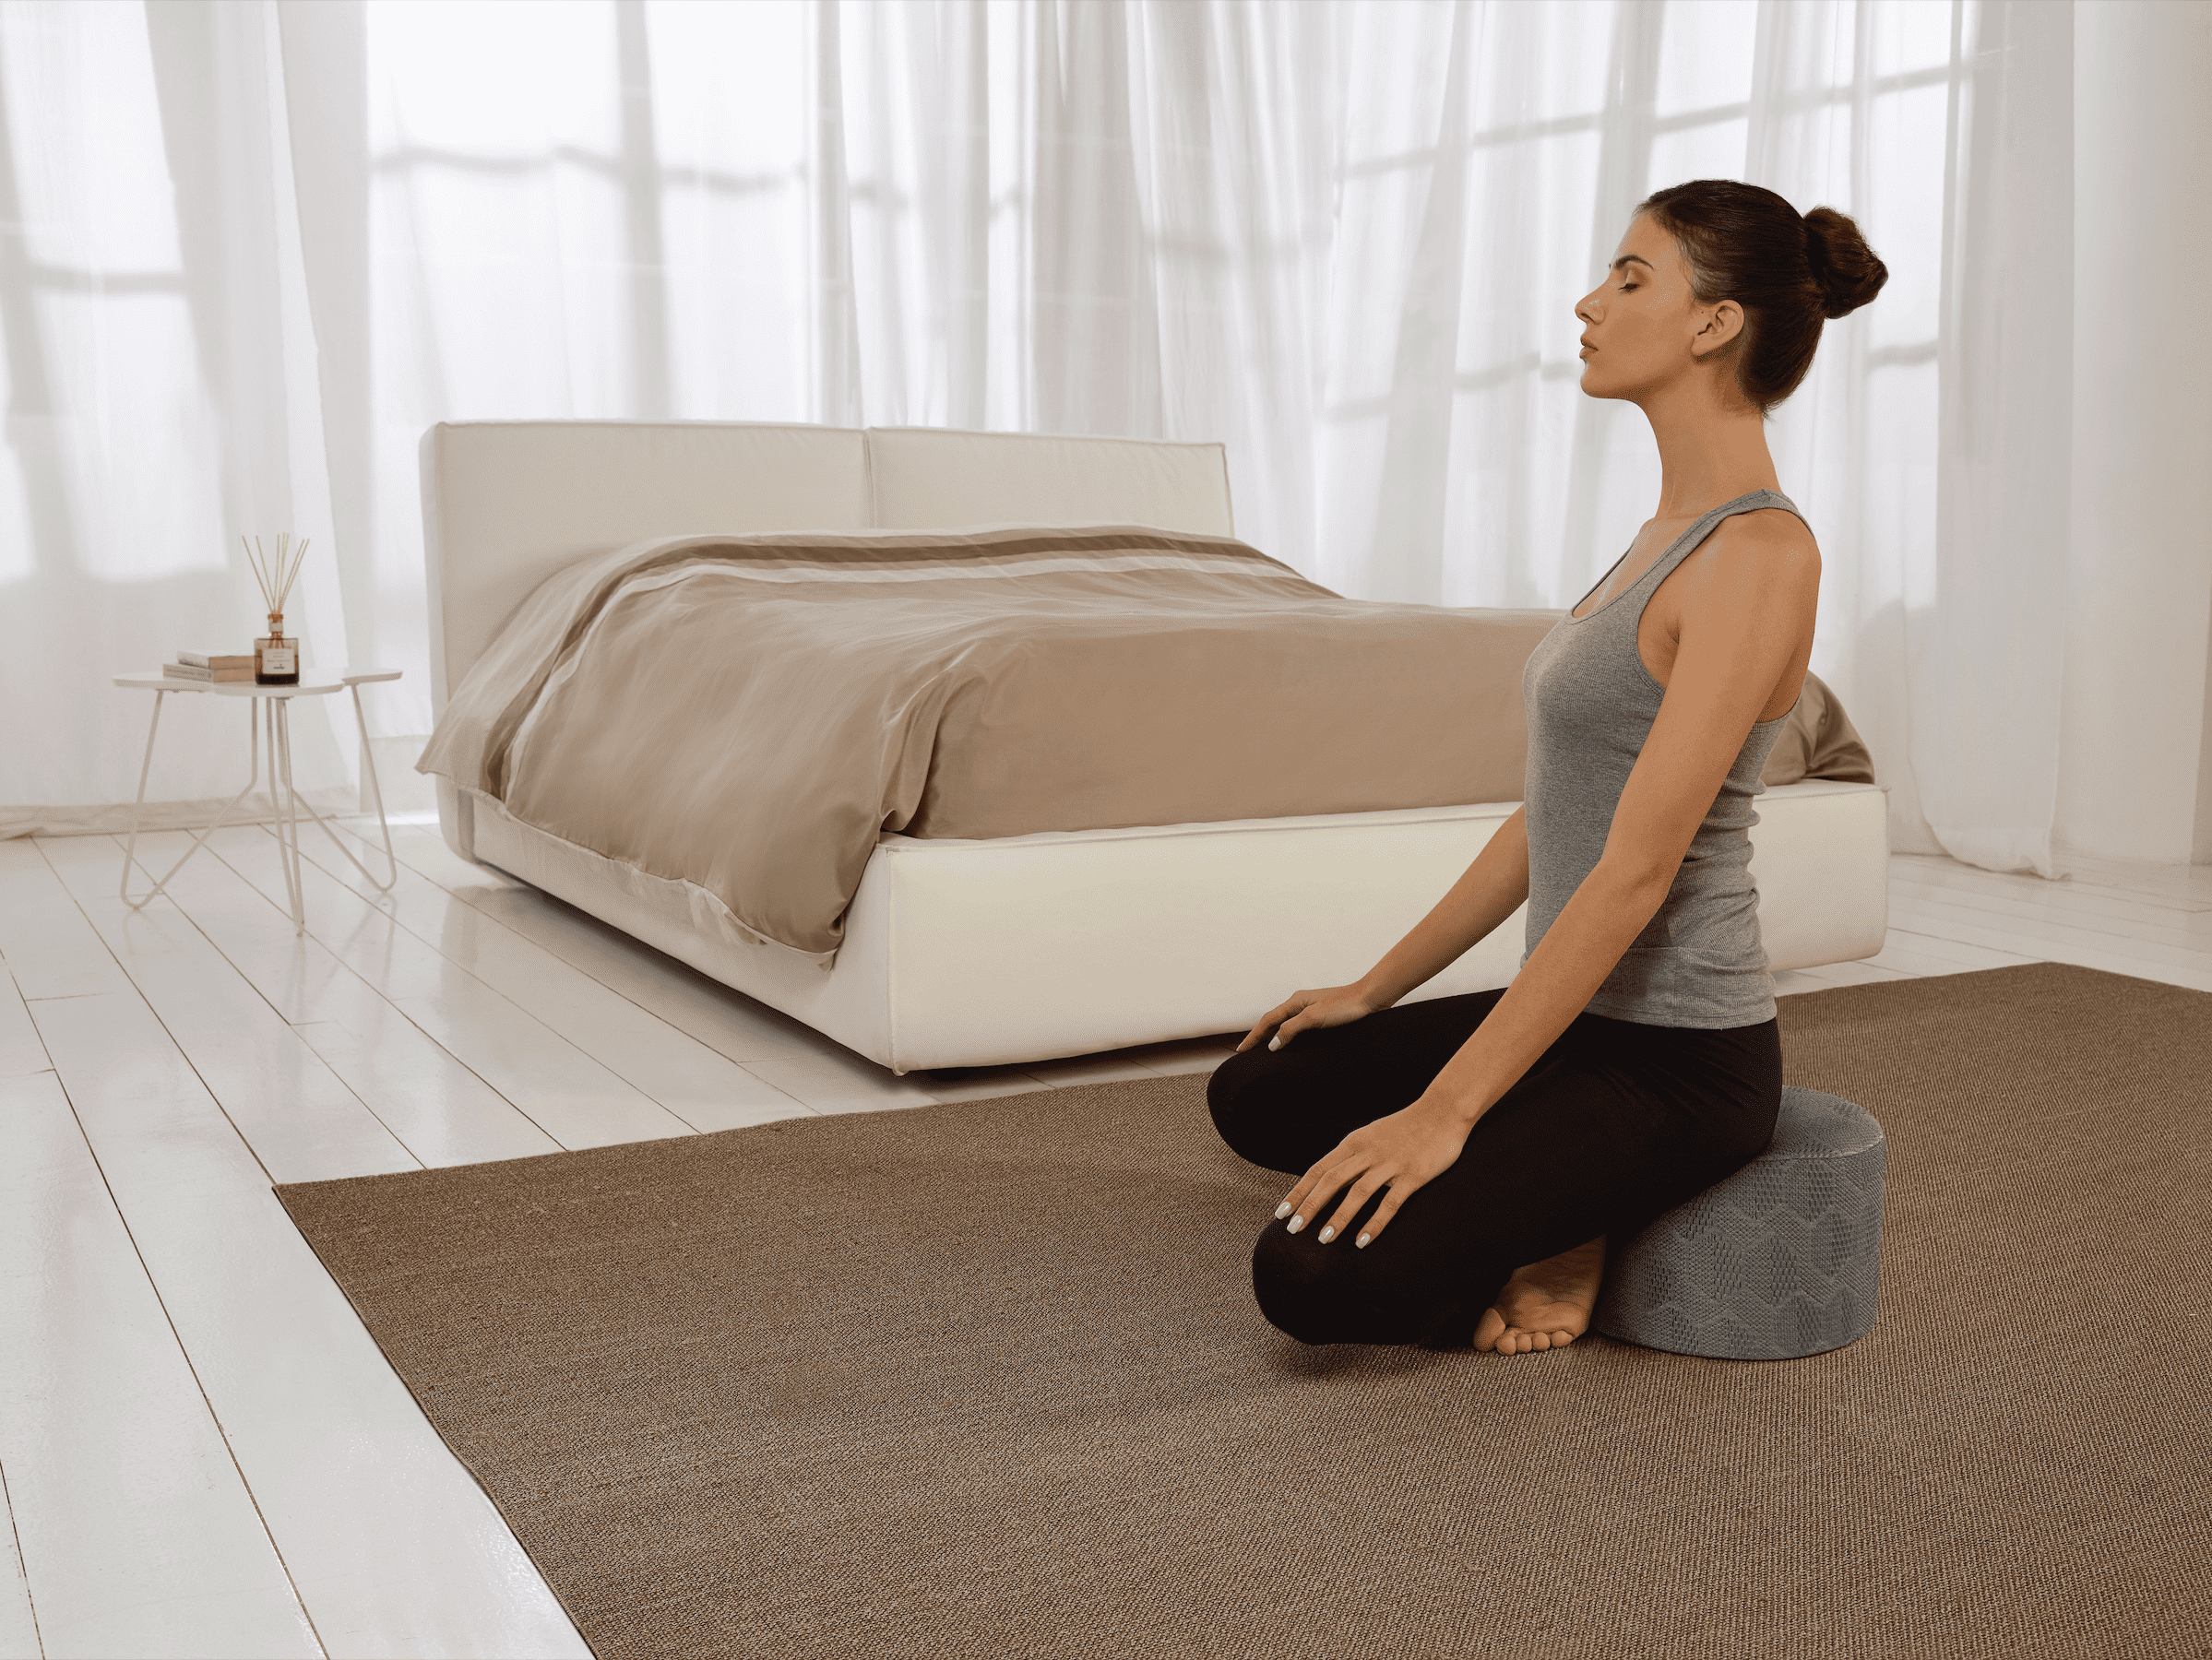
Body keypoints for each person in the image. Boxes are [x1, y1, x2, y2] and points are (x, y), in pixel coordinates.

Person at [1207, 179, 1888, 1355]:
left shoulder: (1758, 556)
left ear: (1713, 323)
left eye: (1629, 277)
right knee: (1263, 1085)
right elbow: (1549, 815)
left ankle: (1577, 1223)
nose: (1588, 302)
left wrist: (1444, 1114)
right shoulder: (1659, 539)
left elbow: (1633, 870)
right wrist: (1373, 988)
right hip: (1577, 1020)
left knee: (1305, 1280)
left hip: (1677, 1062)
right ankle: (1556, 1187)